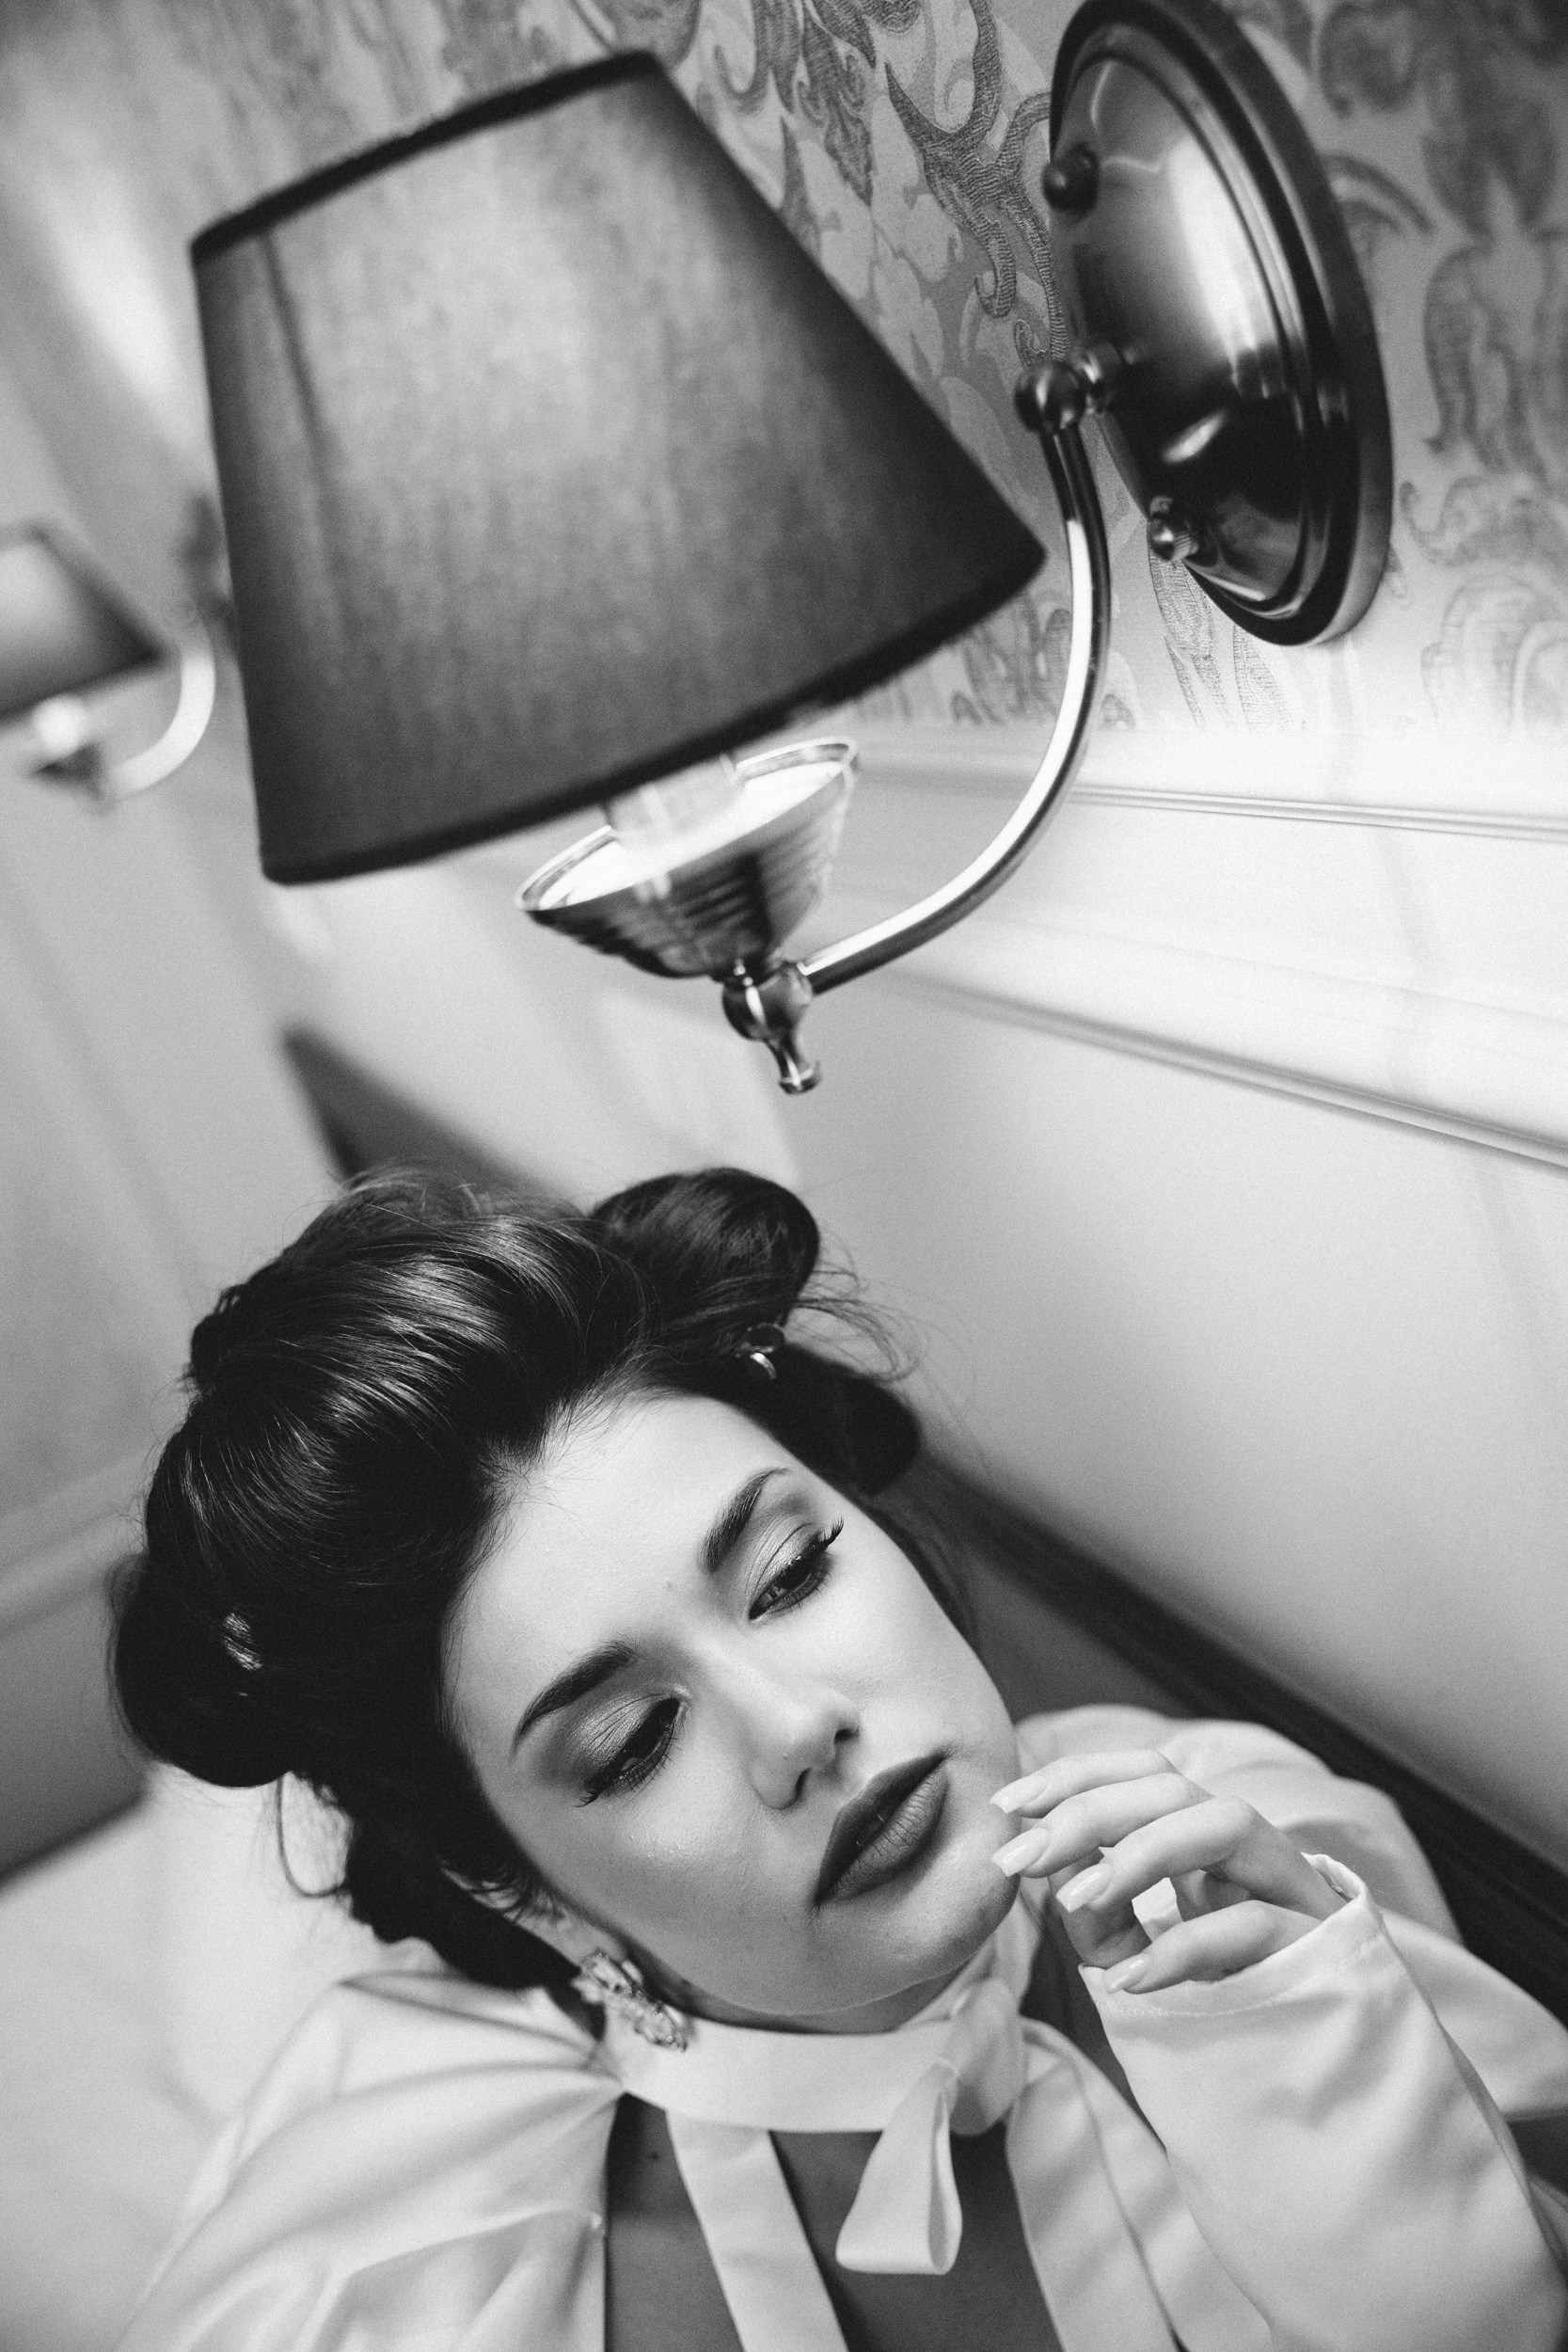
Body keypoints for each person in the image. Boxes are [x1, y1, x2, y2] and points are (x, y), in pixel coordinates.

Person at [111, 1166, 1568, 2352]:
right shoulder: (429, 2276)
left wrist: (1404, 2231)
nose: (798, 1727)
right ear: (515, 1883)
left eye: (791, 1573)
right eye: (633, 1739)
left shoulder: (1264, 1873)